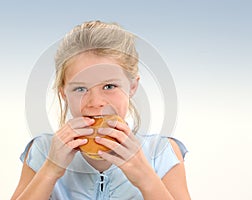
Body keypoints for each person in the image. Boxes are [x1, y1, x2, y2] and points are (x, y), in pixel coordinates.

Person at [11, 20, 191, 200]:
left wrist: (146, 179)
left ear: (133, 87)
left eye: (109, 86)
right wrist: (50, 170)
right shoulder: (43, 151)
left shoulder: (161, 152)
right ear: (64, 93)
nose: (95, 102)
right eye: (80, 89)